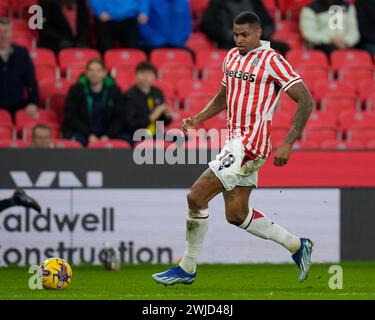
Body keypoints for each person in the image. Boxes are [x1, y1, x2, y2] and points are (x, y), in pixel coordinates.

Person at [152, 12, 314, 286]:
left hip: (251, 144)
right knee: (237, 214)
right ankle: (297, 245)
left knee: (196, 197)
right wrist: (198, 118)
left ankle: (187, 267)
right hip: (234, 142)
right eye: (236, 35)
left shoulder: (272, 60)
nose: (239, 40)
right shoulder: (230, 57)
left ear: (258, 33)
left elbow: (306, 99)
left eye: (245, 35)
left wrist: (288, 142)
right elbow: (224, 96)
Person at [62, 58, 126, 146]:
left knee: (125, 140)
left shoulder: (114, 90)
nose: (94, 74)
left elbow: (120, 118)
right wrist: (88, 135)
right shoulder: (76, 90)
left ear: (104, 73)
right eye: (91, 70)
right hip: (82, 133)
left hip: (107, 133)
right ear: (86, 73)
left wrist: (108, 135)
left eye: (98, 70)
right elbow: (70, 117)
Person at [201, 0, 290, 56]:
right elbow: (208, 25)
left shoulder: (254, 2)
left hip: (257, 41)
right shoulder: (217, 3)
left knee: (284, 48)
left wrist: (261, 34)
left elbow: (268, 22)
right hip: (232, 43)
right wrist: (232, 36)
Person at [123, 62, 174, 143]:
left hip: (157, 134)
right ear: (136, 76)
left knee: (184, 139)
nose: (146, 77)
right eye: (142, 73)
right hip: (137, 135)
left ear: (154, 77)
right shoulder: (129, 95)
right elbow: (129, 124)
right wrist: (152, 117)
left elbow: (162, 122)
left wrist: (167, 116)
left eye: (149, 74)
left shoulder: (157, 92)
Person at [0, 18, 39, 118]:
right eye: (0, 32)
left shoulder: (22, 54)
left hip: (17, 105)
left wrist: (33, 102)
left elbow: (31, 81)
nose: (3, 35)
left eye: (6, 31)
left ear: (11, 32)